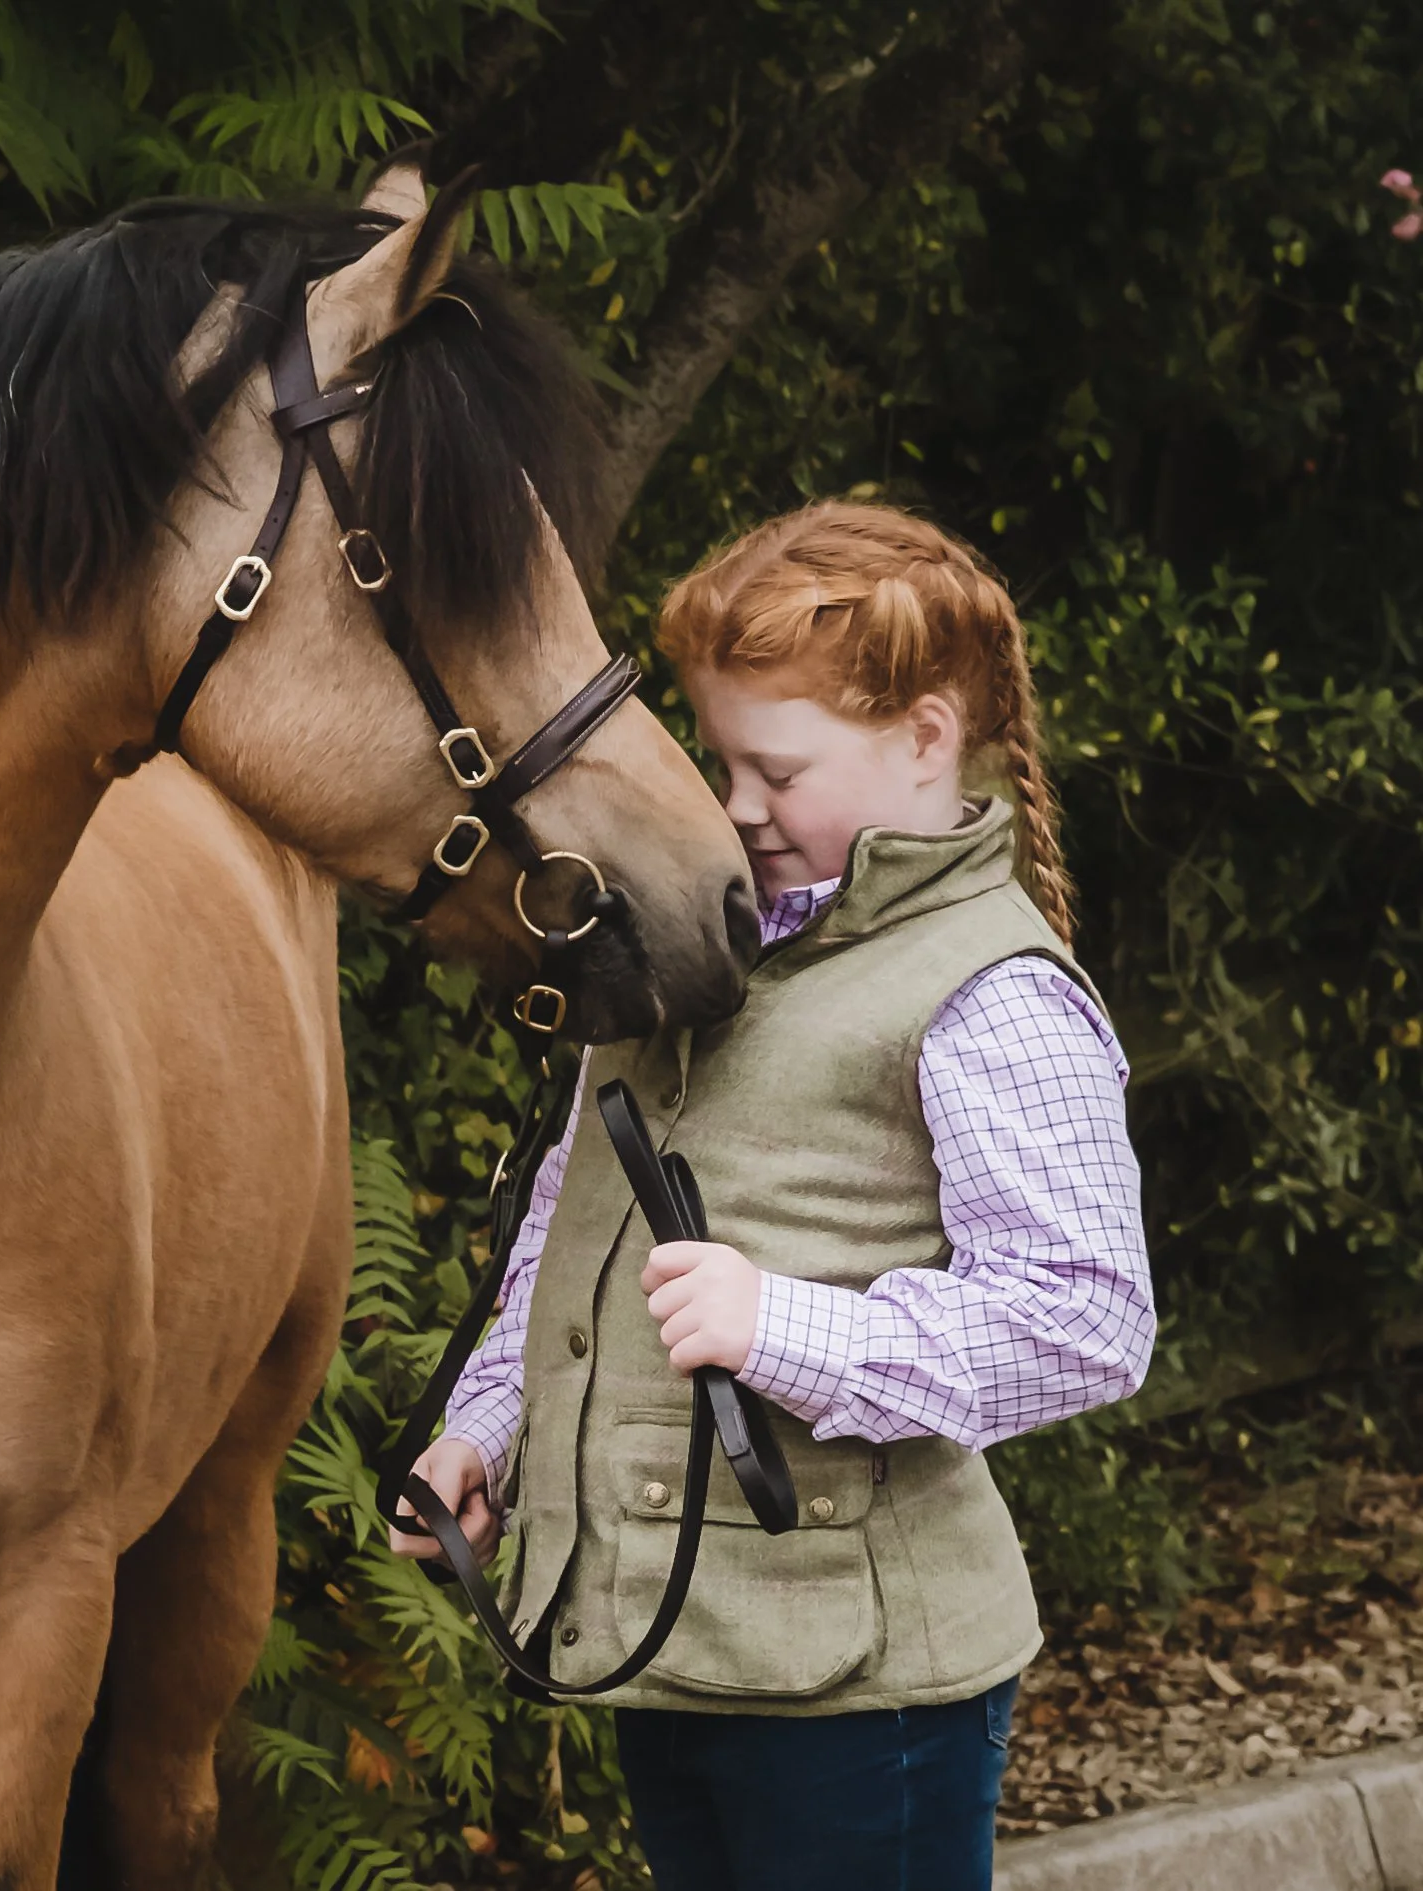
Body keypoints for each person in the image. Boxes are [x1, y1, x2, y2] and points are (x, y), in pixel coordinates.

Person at [389, 501, 1155, 1890]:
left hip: (866, 1689)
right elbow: (576, 1220)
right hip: (681, 1644)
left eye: (775, 766)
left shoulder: (991, 991)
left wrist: (784, 1326)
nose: (734, 804)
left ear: (926, 738)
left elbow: (1088, 1319)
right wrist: (486, 1429)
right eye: (718, 755)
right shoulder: (694, 940)